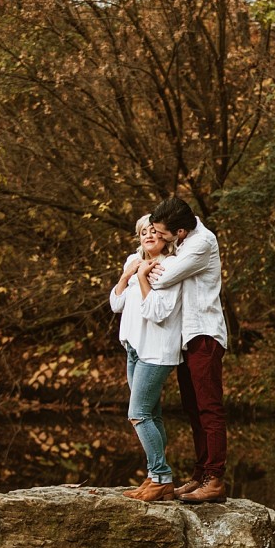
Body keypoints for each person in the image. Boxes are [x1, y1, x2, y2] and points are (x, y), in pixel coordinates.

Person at [147, 196, 229, 503]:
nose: (158, 236)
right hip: (187, 337)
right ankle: (200, 475)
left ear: (180, 231)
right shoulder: (183, 242)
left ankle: (215, 479)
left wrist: (147, 270)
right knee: (193, 409)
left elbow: (163, 279)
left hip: (205, 334)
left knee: (209, 408)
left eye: (162, 232)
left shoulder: (201, 243)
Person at [109, 214, 183, 502]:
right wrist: (127, 275)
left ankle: (161, 476)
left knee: (138, 414)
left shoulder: (170, 266)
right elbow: (116, 304)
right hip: (134, 347)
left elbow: (158, 312)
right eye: (143, 232)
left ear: (164, 236)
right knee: (151, 414)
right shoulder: (133, 260)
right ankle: (155, 478)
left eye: (154, 231)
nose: (149, 236)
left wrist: (142, 279)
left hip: (156, 350)